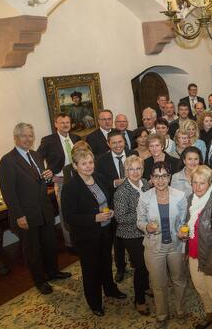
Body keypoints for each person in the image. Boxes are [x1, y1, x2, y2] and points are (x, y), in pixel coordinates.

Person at [0, 122, 70, 295]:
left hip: (44, 210)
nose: (28, 139)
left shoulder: (36, 155)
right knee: (33, 250)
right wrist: (19, 216)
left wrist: (47, 176)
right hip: (26, 214)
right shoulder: (8, 161)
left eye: (30, 135)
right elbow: (9, 193)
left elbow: (39, 180)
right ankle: (40, 281)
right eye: (24, 135)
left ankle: (53, 272)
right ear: (16, 137)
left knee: (49, 244)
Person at [61, 149, 126, 316]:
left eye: (90, 162)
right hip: (86, 236)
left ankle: (110, 289)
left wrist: (111, 209)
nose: (88, 166)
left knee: (106, 263)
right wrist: (94, 218)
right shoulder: (70, 187)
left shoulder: (99, 177)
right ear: (75, 166)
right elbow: (69, 216)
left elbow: (110, 196)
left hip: (106, 231)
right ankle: (95, 302)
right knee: (91, 270)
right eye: (83, 163)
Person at [137, 162, 188, 328]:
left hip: (175, 245)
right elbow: (140, 221)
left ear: (170, 177)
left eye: (164, 175)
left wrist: (183, 231)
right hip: (154, 247)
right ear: (151, 179)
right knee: (159, 284)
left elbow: (183, 221)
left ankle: (180, 310)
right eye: (156, 176)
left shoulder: (180, 196)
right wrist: (146, 227)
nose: (160, 180)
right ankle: (162, 314)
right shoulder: (145, 197)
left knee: (179, 280)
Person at [182, 165, 212, 329]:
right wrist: (185, 235)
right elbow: (190, 224)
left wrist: (211, 265)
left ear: (210, 184)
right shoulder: (192, 199)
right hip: (195, 255)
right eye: (194, 183)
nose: (197, 187)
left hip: (211, 259)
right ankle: (210, 315)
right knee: (201, 289)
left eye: (202, 183)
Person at [113, 155, 150, 316]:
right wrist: (142, 216)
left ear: (142, 169)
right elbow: (120, 218)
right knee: (140, 266)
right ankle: (139, 300)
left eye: (138, 168)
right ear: (125, 171)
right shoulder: (121, 192)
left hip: (148, 230)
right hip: (131, 234)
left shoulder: (147, 184)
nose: (135, 172)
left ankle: (146, 287)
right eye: (131, 169)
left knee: (149, 262)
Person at [37, 113, 81, 250]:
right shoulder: (48, 140)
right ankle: (70, 244)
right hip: (62, 181)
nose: (65, 124)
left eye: (67, 122)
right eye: (62, 122)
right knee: (65, 212)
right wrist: (49, 176)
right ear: (55, 124)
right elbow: (36, 159)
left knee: (80, 209)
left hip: (79, 179)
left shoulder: (76, 138)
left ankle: (81, 238)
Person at [95, 130, 132, 282]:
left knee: (137, 235)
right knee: (118, 238)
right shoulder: (101, 160)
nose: (117, 145)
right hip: (113, 203)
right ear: (108, 144)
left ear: (124, 142)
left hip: (134, 201)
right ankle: (121, 267)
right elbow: (100, 182)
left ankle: (138, 262)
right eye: (114, 143)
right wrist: (114, 183)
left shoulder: (133, 154)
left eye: (120, 142)